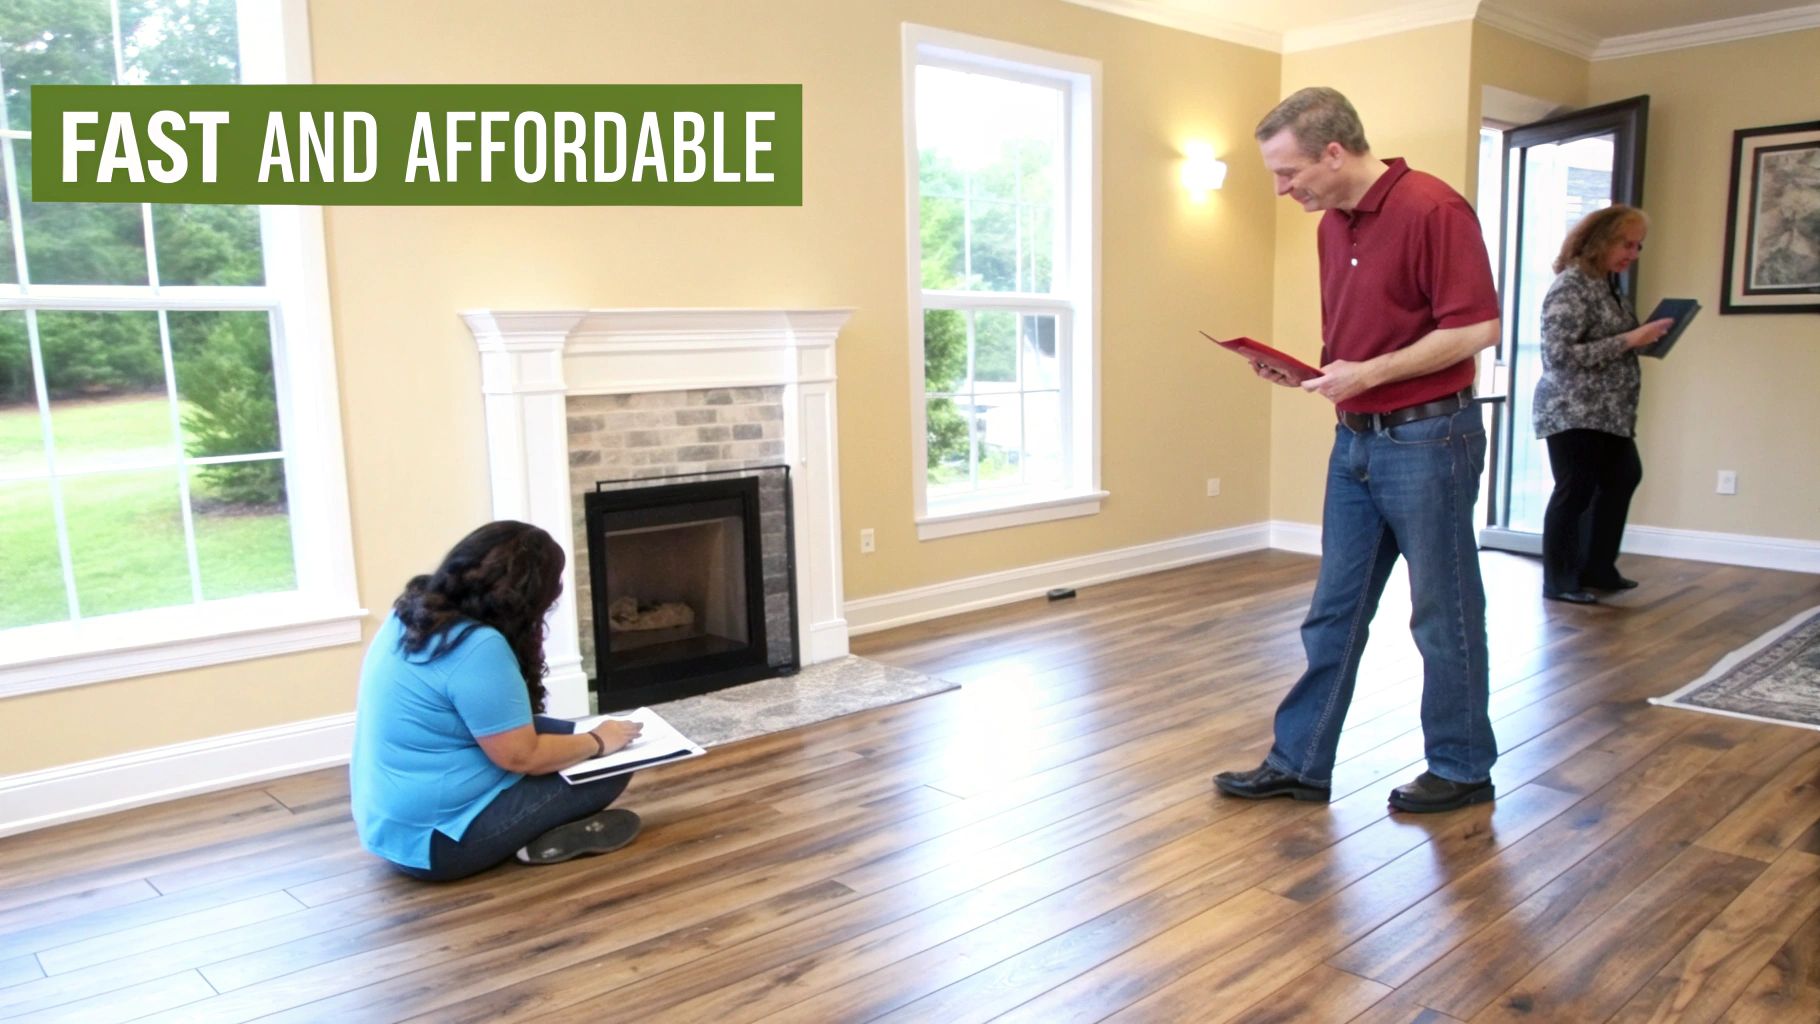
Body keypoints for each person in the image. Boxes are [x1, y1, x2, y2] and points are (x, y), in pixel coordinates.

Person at [1213, 87, 1502, 813]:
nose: (1284, 190)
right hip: (1356, 442)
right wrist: (1311, 372)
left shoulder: (1435, 209)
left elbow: (1476, 330)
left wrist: (1367, 374)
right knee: (1332, 611)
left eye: (1289, 174)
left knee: (1442, 612)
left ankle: (1464, 768)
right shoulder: (1330, 226)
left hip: (1431, 438)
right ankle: (1300, 762)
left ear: (1335, 152)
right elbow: (1362, 333)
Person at [351, 520, 645, 881]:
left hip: (389, 828)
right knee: (613, 763)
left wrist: (584, 739)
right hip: (437, 845)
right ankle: (530, 840)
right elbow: (521, 756)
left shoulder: (413, 612)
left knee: (570, 732)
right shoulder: (478, 646)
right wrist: (598, 742)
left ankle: (535, 831)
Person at [1531, 205, 1673, 604]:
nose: (1633, 253)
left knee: (1623, 476)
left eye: (1638, 246)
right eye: (1626, 244)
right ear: (1600, 241)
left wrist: (1646, 337)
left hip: (1609, 412)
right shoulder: (1571, 285)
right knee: (1575, 490)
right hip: (1573, 409)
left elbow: (1611, 342)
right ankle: (1559, 580)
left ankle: (1597, 567)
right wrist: (1631, 339)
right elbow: (1558, 354)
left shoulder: (1608, 284)